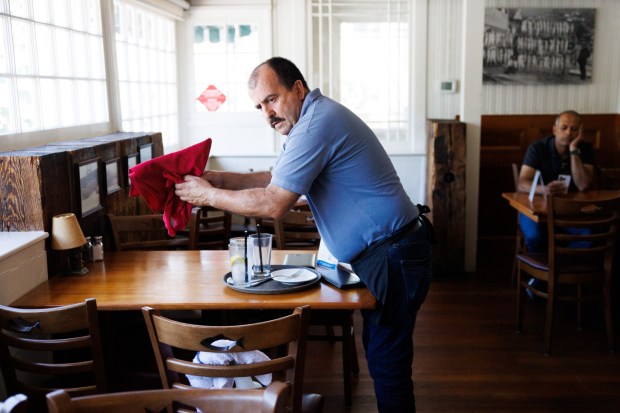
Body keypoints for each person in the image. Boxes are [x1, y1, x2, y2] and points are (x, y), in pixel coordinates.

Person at [175, 56, 434, 412]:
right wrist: (221, 180)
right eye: (258, 106)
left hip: (393, 252)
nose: (267, 113)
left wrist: (207, 196)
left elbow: (273, 203)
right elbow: (276, 177)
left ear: (298, 88)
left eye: (272, 99)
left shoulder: (315, 124)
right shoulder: (311, 121)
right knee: (384, 357)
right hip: (391, 251)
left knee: (388, 363)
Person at [517, 110, 595, 253]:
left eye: (574, 129)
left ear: (580, 131)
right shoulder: (538, 148)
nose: (568, 133)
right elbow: (522, 182)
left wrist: (573, 150)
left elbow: (583, 185)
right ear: (554, 129)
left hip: (569, 211)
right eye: (564, 128)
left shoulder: (585, 149)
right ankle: (541, 274)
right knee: (535, 237)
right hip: (536, 210)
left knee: (587, 235)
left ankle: (561, 269)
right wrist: (544, 189)